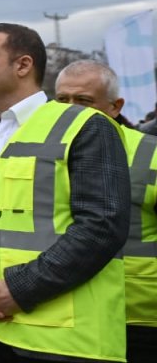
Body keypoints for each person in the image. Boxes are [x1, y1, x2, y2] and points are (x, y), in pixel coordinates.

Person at [0, 23, 130, 362]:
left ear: (23, 65)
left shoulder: (85, 125)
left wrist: (18, 289)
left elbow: (103, 226)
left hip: (66, 341)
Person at [54, 59, 157, 362]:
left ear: (115, 106)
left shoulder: (151, 154)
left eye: (83, 101)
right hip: (60, 316)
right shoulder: (39, 154)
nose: (71, 109)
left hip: (136, 320)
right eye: (62, 100)